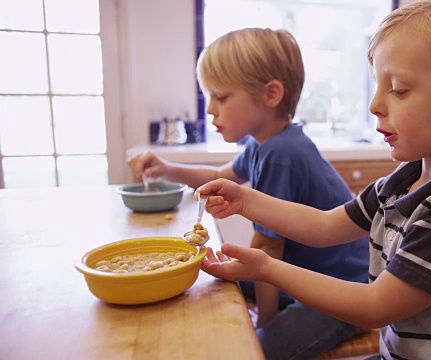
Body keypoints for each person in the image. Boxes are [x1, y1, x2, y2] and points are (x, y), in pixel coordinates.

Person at [196, 1, 431, 359]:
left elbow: (375, 305)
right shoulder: (401, 184)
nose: (374, 105)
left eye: (399, 89)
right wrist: (246, 201)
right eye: (377, 87)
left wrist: (267, 268)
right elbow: (325, 225)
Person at [127, 28, 369, 360]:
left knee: (250, 350)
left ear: (271, 94)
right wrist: (166, 168)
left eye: (221, 97)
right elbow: (217, 176)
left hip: (340, 294)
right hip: (302, 278)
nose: (210, 108)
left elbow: (269, 251)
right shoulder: (263, 143)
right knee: (219, 284)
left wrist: (263, 323)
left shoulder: (281, 154)